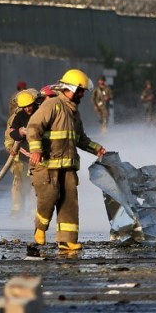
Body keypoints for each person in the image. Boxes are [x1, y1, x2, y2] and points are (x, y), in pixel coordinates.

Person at [27, 69, 106, 252]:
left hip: (68, 166)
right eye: (80, 91)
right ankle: (40, 227)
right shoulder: (52, 105)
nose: (82, 95)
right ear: (71, 88)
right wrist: (36, 149)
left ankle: (67, 240)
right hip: (47, 165)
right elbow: (33, 126)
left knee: (69, 203)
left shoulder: (74, 113)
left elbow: (80, 139)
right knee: (49, 198)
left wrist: (96, 149)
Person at [7, 88, 39, 218]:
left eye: (30, 105)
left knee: (35, 185)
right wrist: (11, 146)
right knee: (19, 185)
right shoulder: (17, 117)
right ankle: (17, 212)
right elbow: (10, 135)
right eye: (24, 107)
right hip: (20, 158)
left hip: (37, 156)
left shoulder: (41, 113)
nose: (28, 109)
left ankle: (34, 213)